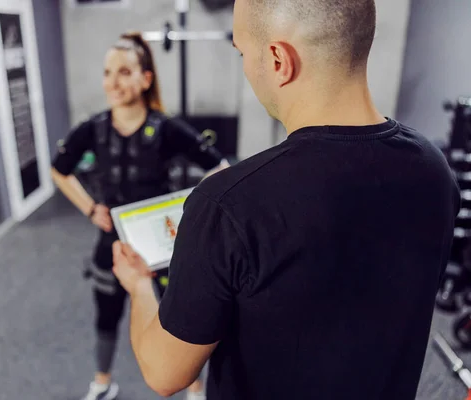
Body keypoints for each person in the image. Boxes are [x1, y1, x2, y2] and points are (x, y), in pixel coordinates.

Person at [111, 0, 461, 399]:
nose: (245, 67)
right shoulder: (435, 171)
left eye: (244, 52)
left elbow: (164, 373)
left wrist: (140, 285)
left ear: (278, 59)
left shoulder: (229, 205)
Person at [51, 32, 228, 400]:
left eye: (124, 72)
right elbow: (59, 169)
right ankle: (102, 383)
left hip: (161, 249)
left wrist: (187, 211)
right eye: (107, 72)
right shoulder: (93, 128)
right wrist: (89, 208)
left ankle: (194, 389)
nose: (112, 82)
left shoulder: (166, 128)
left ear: (145, 79)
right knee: (107, 316)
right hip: (112, 246)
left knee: (174, 322)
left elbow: (219, 168)